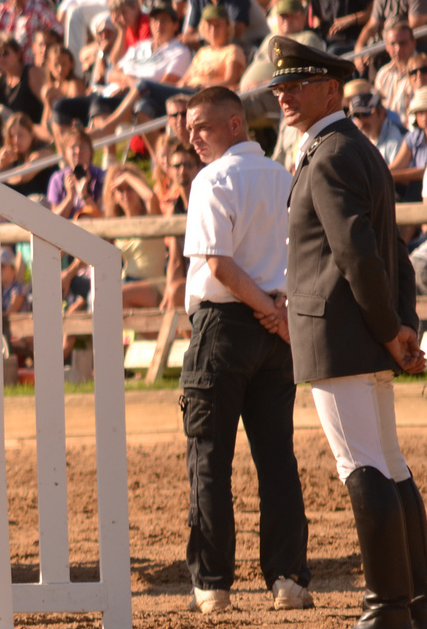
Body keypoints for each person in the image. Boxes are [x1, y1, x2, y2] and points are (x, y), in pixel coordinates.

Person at [273, 36, 427, 629]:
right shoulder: (355, 148)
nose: (284, 94)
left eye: (296, 85)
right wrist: (401, 325)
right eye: (281, 87)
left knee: (362, 465)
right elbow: (390, 251)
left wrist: (392, 330)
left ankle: (385, 605)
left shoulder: (331, 153)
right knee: (389, 463)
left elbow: (360, 255)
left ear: (331, 90)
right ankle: (412, 598)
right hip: (362, 330)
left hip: (340, 332)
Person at [177, 86, 312, 614]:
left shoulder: (213, 179)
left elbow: (218, 265)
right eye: (189, 129)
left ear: (235, 124)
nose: (192, 138)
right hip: (274, 327)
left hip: (225, 326)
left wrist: (270, 309)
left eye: (202, 127)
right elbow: (306, 254)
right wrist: (280, 314)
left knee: (210, 458)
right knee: (276, 457)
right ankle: (288, 578)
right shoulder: (284, 177)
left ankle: (213, 585)